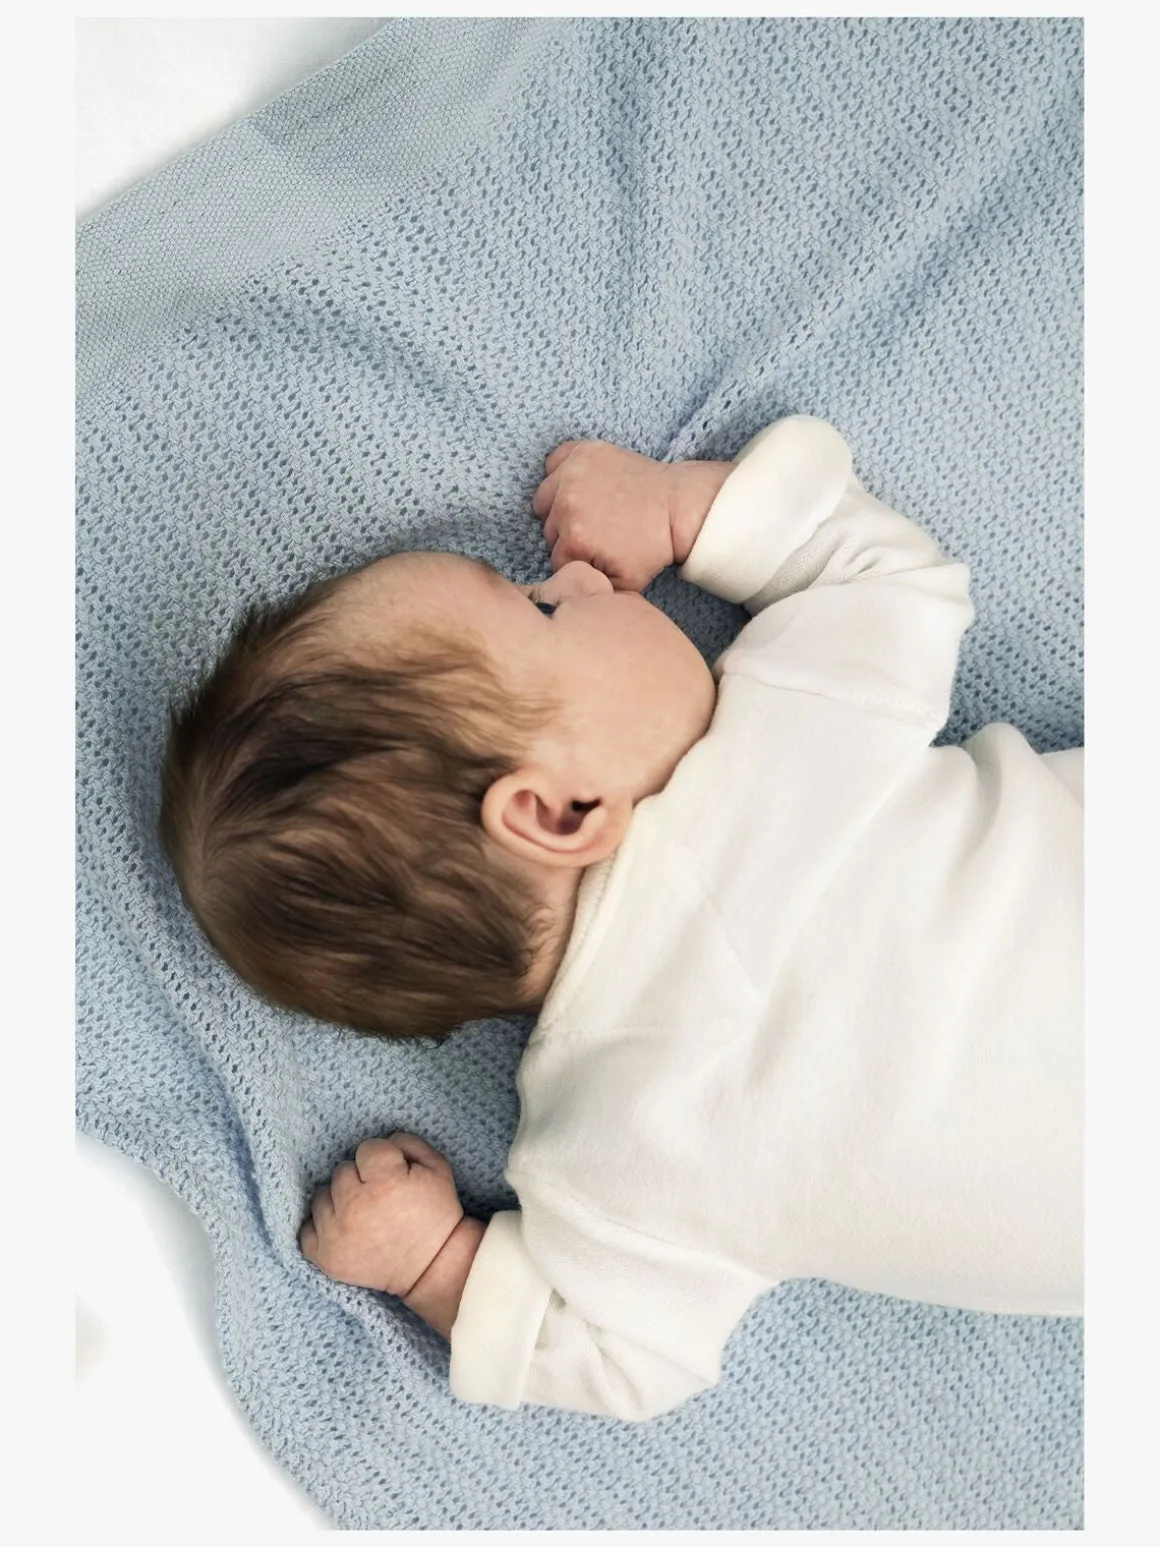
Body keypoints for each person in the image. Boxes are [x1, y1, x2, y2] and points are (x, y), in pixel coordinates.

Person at [160, 415, 1083, 1420]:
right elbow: (888, 579)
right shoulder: (782, 740)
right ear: (557, 812)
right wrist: (683, 512)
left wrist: (435, 1260)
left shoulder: (609, 1147)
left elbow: (623, 1360)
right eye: (540, 609)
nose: (577, 578)